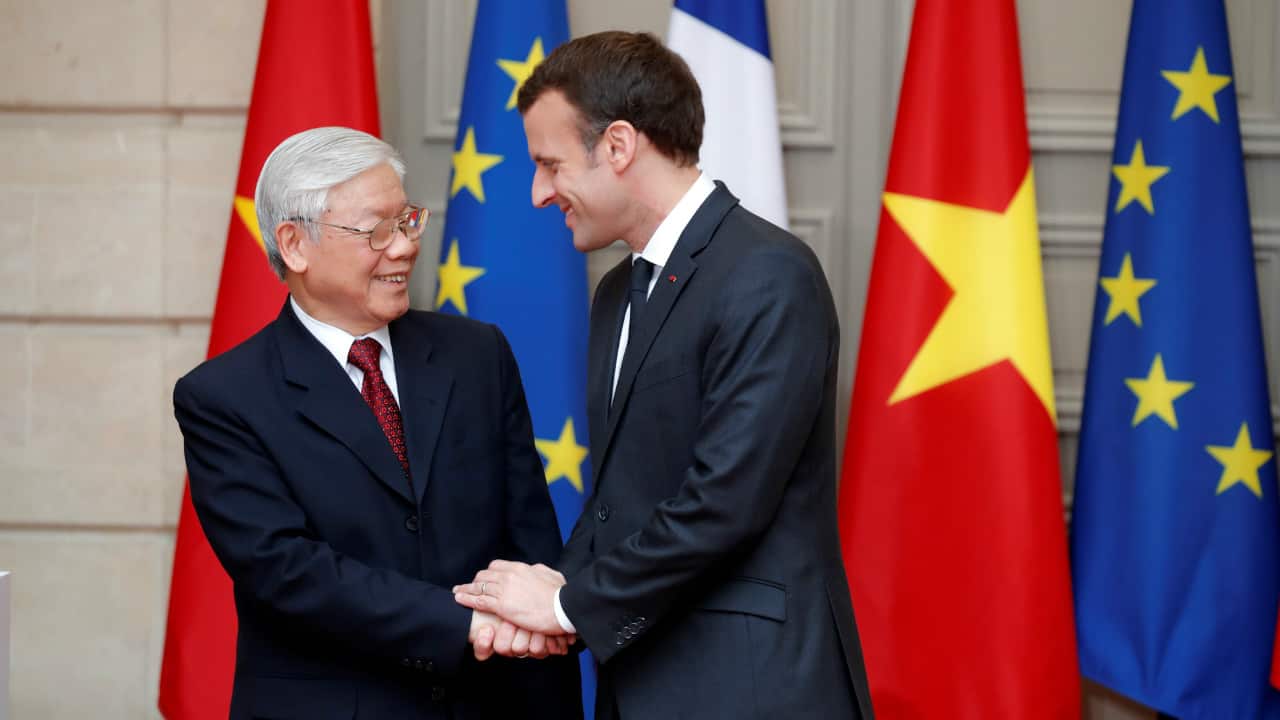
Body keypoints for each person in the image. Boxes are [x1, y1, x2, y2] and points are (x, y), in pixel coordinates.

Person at [453, 32, 875, 720]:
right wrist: (551, 591)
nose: (537, 194)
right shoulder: (617, 291)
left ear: (618, 146)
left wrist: (563, 606)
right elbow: (626, 495)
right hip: (643, 675)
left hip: (750, 688)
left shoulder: (768, 274)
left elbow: (724, 503)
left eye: (549, 164)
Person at [174, 127, 581, 720]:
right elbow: (290, 572)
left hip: (495, 698)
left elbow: (531, 536)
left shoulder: (476, 355)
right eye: (377, 231)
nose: (405, 248)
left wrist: (544, 629)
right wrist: (465, 623)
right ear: (294, 245)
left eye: (408, 221)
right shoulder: (225, 398)